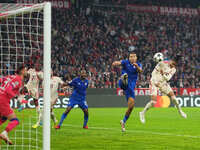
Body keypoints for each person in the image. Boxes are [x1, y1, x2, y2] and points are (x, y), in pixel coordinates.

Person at [139, 59, 187, 124]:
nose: (172, 65)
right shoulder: (163, 63)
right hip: (154, 82)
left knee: (174, 99)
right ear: (171, 61)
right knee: (153, 102)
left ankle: (180, 111)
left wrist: (163, 74)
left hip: (163, 83)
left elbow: (168, 78)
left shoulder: (173, 69)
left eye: (173, 65)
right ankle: (142, 113)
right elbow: (153, 73)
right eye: (172, 63)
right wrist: (155, 81)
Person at [112, 52, 142, 132]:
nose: (132, 58)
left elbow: (140, 71)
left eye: (134, 56)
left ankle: (123, 121)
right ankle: (123, 79)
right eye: (130, 57)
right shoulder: (126, 62)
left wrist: (137, 67)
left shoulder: (138, 64)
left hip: (130, 89)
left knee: (131, 106)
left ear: (136, 58)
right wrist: (116, 63)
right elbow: (119, 62)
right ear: (129, 58)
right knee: (124, 78)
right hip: (124, 83)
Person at [0, 65, 27, 145]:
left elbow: (1, 80)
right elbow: (8, 89)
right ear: (22, 71)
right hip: (2, 100)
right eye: (25, 70)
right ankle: (4, 133)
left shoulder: (10, 76)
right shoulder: (18, 80)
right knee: (15, 120)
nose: (26, 71)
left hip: (2, 98)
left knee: (4, 118)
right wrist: (18, 98)